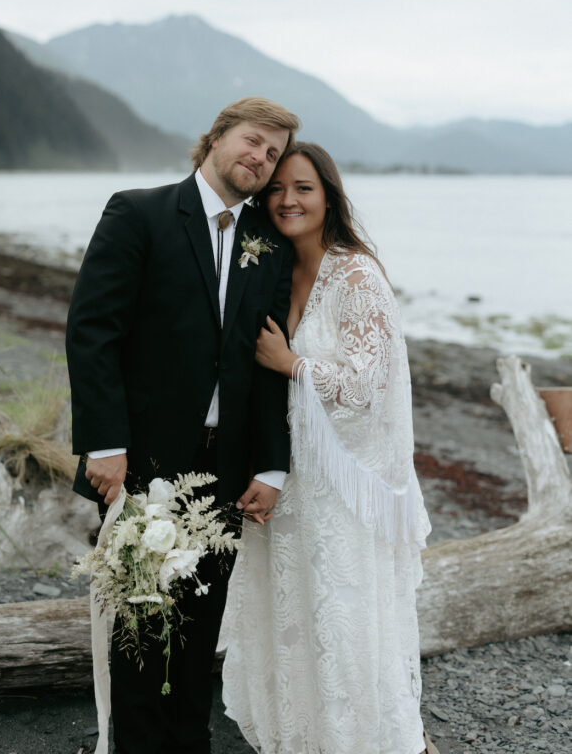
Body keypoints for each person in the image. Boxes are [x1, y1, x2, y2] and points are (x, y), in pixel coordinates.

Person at [65, 96, 300, 754]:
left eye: (273, 153)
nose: (260, 158)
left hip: (224, 469)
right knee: (139, 631)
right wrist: (104, 444)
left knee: (199, 634)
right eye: (253, 142)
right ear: (217, 138)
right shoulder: (137, 212)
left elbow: (264, 363)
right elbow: (93, 333)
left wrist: (271, 464)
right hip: (141, 464)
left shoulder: (268, 245)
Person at [221, 142, 435, 754]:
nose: (288, 200)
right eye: (278, 189)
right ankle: (297, 737)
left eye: (304, 188)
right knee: (289, 614)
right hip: (287, 477)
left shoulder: (356, 275)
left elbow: (368, 386)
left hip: (341, 484)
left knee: (338, 617)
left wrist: (293, 364)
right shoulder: (274, 268)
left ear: (329, 196)